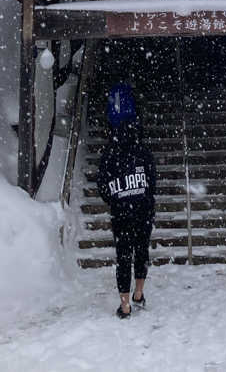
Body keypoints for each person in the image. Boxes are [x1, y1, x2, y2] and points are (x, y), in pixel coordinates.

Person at [96, 82, 157, 319]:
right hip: (142, 207)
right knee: (141, 250)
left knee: (123, 256)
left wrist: (115, 198)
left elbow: (102, 183)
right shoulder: (142, 150)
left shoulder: (109, 153)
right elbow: (152, 180)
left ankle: (124, 305)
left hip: (121, 209)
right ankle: (139, 293)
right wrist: (145, 196)